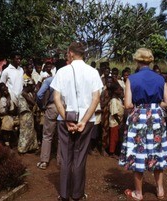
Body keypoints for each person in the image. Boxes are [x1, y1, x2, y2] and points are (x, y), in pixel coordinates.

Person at [51, 42, 103, 201]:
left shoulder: (62, 72)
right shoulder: (93, 72)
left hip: (65, 119)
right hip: (86, 121)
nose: (67, 56)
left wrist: (67, 120)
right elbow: (96, 99)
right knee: (80, 158)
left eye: (67, 53)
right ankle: (77, 194)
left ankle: (64, 194)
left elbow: (56, 98)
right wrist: (84, 120)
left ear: (71, 54)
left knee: (66, 158)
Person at [119, 48, 167, 200]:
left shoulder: (132, 79)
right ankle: (160, 190)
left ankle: (138, 193)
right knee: (157, 151)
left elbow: (128, 104)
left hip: (139, 118)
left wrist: (142, 106)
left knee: (138, 152)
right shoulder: (160, 79)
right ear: (150, 61)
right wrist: (154, 105)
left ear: (137, 60)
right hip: (156, 118)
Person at [36, 76, 59, 169]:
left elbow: (39, 95)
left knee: (47, 135)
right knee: (61, 136)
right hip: (64, 108)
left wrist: (41, 106)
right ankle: (61, 160)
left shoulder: (50, 80)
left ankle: (44, 161)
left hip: (52, 107)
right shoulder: (68, 78)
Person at [17, 78, 39, 154]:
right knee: (25, 132)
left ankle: (30, 147)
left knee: (30, 131)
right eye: (32, 86)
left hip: (28, 114)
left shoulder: (26, 93)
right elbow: (33, 103)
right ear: (27, 86)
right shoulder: (24, 93)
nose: (33, 87)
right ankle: (22, 149)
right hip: (25, 115)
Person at [108, 82, 124, 158]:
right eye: (119, 89)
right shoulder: (113, 100)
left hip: (119, 121)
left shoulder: (118, 99)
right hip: (115, 122)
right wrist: (119, 122)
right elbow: (114, 113)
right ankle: (112, 153)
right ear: (115, 91)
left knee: (117, 137)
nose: (120, 91)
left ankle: (115, 151)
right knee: (114, 138)